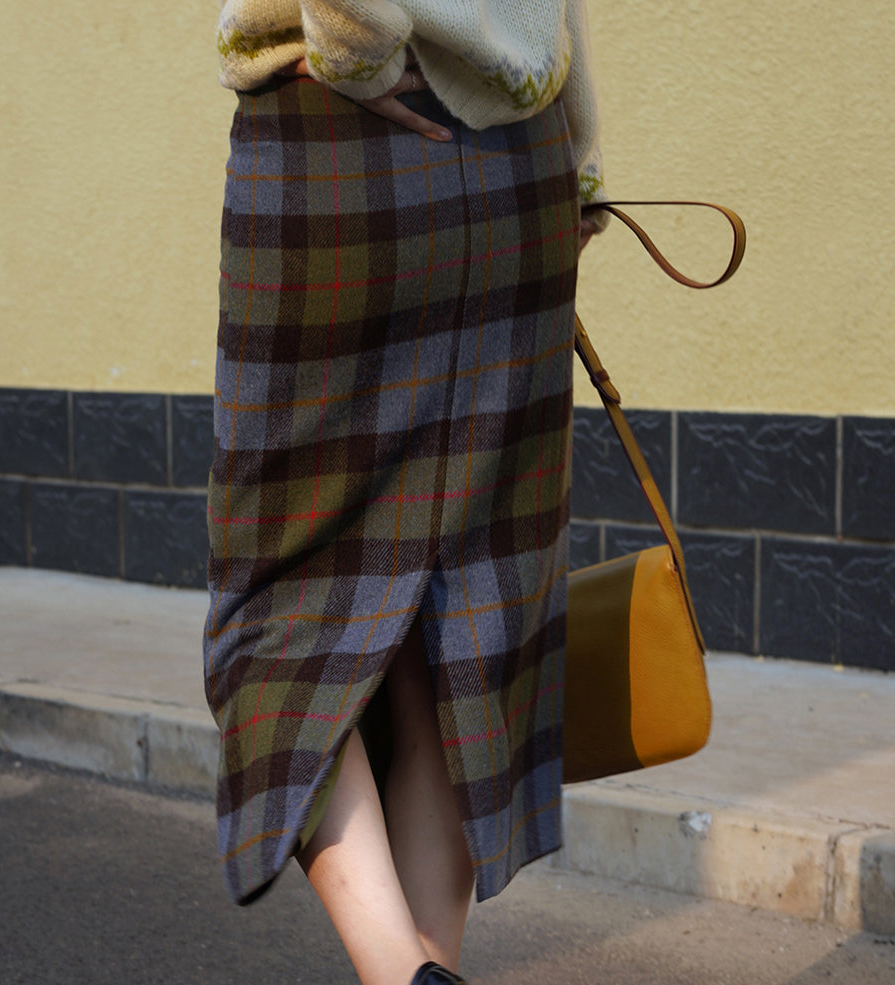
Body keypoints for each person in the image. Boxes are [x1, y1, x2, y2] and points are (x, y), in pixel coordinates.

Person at [204, 3, 607, 983]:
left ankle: (403, 974)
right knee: (464, 608)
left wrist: (353, 51)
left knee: (277, 615)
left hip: (346, 135)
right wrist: (583, 161)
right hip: (523, 155)